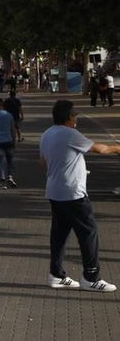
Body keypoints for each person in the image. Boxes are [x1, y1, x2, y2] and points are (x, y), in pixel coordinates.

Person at [40, 100, 120, 291]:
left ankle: (56, 275)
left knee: (59, 234)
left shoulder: (47, 134)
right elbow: (100, 149)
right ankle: (91, 277)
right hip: (72, 193)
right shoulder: (70, 134)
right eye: (75, 115)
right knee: (88, 232)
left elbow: (42, 163)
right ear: (69, 117)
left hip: (54, 191)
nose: (76, 119)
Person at [0, 97, 19, 189]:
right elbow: (13, 129)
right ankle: (10, 176)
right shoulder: (9, 115)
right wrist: (14, 140)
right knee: (9, 160)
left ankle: (2, 181)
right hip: (8, 140)